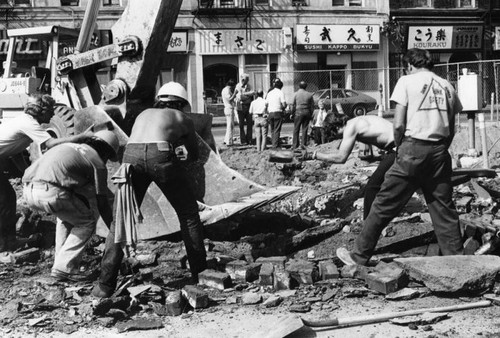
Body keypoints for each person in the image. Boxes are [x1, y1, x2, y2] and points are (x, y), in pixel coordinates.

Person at [336, 48, 464, 266]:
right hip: (440, 152)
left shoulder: (406, 81)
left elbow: (398, 124)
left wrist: (401, 145)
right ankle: (459, 263)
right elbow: (452, 127)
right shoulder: (447, 86)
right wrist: (442, 148)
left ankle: (358, 256)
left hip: (412, 149)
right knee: (443, 208)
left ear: (409, 65)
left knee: (383, 204)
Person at [92, 102, 207, 298]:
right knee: (188, 215)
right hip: (161, 153)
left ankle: (104, 286)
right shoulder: (182, 118)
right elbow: (194, 155)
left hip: (132, 154)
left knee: (120, 220)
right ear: (180, 103)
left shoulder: (144, 112)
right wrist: (176, 159)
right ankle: (201, 273)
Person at [0, 94, 93, 256]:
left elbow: (16, 153)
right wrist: (81, 137)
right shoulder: (28, 123)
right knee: (5, 198)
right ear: (40, 111)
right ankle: (6, 243)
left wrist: (26, 174)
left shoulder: (23, 120)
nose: (52, 115)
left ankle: (8, 240)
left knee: (7, 198)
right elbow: (49, 144)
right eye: (50, 111)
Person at [22, 130, 118, 282]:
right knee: (86, 223)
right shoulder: (97, 162)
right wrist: (114, 231)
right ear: (105, 152)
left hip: (28, 191)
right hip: (51, 192)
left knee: (66, 217)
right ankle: (63, 268)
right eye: (108, 157)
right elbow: (102, 203)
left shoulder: (69, 147)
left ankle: (59, 263)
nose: (106, 161)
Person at [297, 115, 395, 219]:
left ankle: (368, 224)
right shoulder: (355, 121)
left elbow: (341, 158)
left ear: (336, 128)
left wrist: (313, 155)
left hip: (399, 148)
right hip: (405, 143)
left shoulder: (350, 128)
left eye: (335, 134)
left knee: (372, 187)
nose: (338, 138)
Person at [292, 81, 314, 149]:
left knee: (296, 129)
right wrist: (311, 114)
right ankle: (303, 145)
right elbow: (312, 106)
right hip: (306, 111)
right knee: (305, 129)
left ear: (299, 86)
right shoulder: (309, 94)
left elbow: (293, 105)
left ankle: (295, 145)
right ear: (306, 86)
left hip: (298, 112)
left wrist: (292, 113)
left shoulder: (295, 94)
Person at [265, 78, 287, 149]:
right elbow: (284, 104)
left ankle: (274, 143)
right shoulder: (280, 92)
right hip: (278, 112)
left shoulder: (269, 93)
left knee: (272, 130)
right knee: (277, 130)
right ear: (281, 86)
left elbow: (266, 104)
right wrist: (284, 107)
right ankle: (275, 145)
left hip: (270, 112)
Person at [235, 73, 255, 145]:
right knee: (241, 124)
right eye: (246, 80)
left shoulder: (249, 86)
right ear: (243, 80)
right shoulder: (238, 86)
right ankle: (243, 140)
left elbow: (253, 93)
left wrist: (245, 94)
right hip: (240, 106)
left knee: (250, 123)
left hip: (248, 105)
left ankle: (249, 139)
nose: (247, 81)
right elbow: (240, 97)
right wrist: (248, 95)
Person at [221, 79, 237, 146]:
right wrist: (235, 94)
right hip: (229, 108)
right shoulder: (227, 90)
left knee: (229, 125)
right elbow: (230, 99)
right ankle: (229, 141)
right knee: (230, 125)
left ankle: (226, 139)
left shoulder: (224, 90)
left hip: (227, 108)